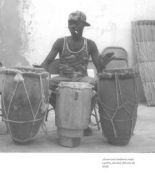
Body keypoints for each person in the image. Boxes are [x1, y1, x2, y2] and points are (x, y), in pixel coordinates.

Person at [37, 11, 114, 135]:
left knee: (99, 85)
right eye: (70, 23)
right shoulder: (60, 42)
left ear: (83, 25)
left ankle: (85, 118)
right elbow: (47, 61)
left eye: (76, 23)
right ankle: (61, 114)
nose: (72, 26)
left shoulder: (90, 44)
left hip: (82, 78)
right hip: (63, 78)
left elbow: (99, 68)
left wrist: (104, 61)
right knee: (44, 86)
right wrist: (39, 72)